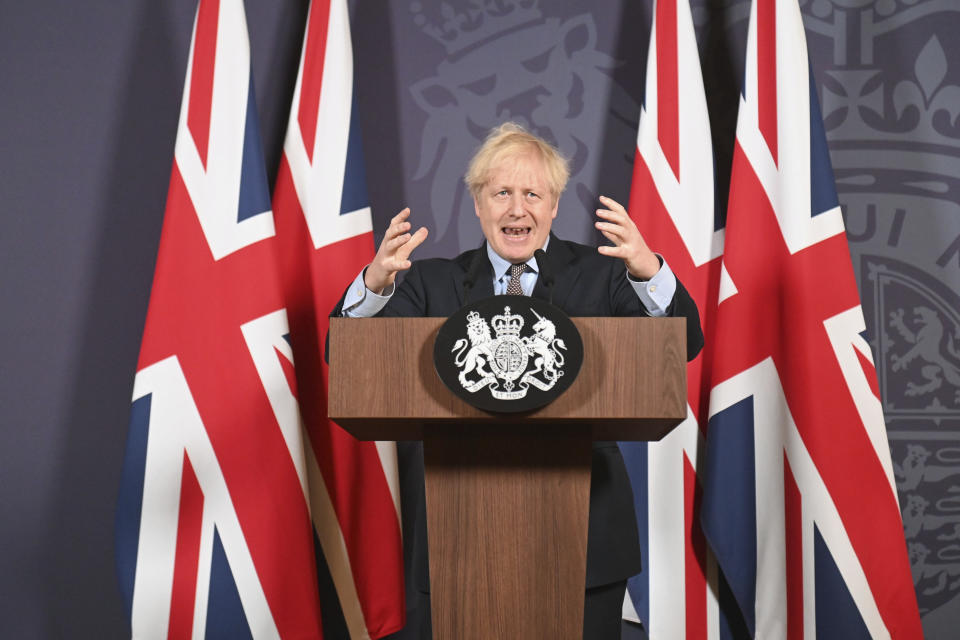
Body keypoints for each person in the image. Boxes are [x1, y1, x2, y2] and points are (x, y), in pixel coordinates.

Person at [333, 122, 703, 639]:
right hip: (457, 537)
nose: (516, 209)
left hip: (587, 538)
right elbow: (346, 355)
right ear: (478, 205)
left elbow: (682, 345)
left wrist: (648, 272)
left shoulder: (605, 275)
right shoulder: (428, 282)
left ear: (554, 206)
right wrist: (373, 287)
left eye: (533, 194)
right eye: (500, 193)